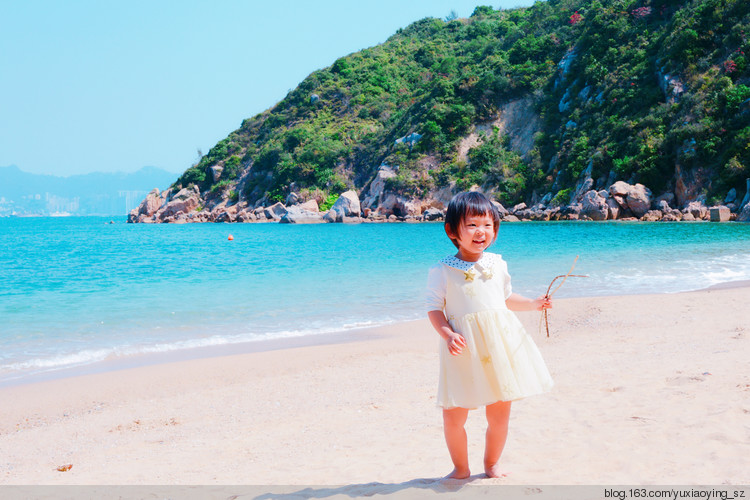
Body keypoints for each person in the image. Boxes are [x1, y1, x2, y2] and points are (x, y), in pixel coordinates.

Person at [426, 191, 554, 479]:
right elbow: (434, 309)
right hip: (463, 349)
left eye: (487, 225)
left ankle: (492, 464)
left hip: (499, 348)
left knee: (499, 413)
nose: (480, 232)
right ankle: (460, 468)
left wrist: (534, 304)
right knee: (454, 414)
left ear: (495, 229)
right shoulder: (442, 270)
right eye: (471, 225)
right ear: (452, 231)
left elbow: (505, 298)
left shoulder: (498, 264)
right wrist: (447, 334)